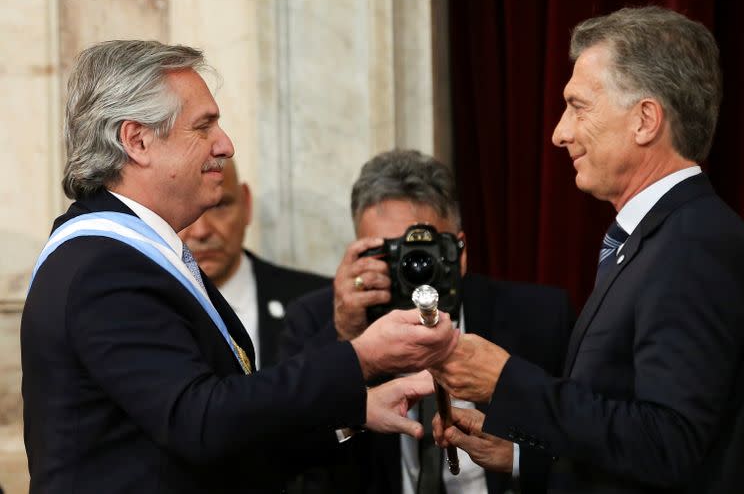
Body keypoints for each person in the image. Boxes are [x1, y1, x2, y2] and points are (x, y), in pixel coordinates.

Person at [20, 40, 459, 494]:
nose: (225, 145)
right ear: (137, 140)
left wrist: (347, 416)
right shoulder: (106, 265)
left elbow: (219, 435)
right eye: (203, 126)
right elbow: (199, 421)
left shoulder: (129, 256)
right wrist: (362, 358)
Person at [431, 6, 744, 493]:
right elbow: (629, 439)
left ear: (644, 120)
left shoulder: (694, 244)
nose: (559, 132)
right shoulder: (655, 240)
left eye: (578, 106)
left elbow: (668, 443)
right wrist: (519, 458)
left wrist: (507, 383)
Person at [280, 149, 575, 494]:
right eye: (388, 254)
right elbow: (282, 448)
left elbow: (585, 449)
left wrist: (519, 456)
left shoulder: (540, 317)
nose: (410, 268)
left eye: (421, 252)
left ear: (459, 252)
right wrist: (347, 343)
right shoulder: (318, 320)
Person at [179, 160, 328, 369]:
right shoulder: (139, 312)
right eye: (185, 209)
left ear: (246, 203)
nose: (202, 231)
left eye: (219, 205)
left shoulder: (321, 303)